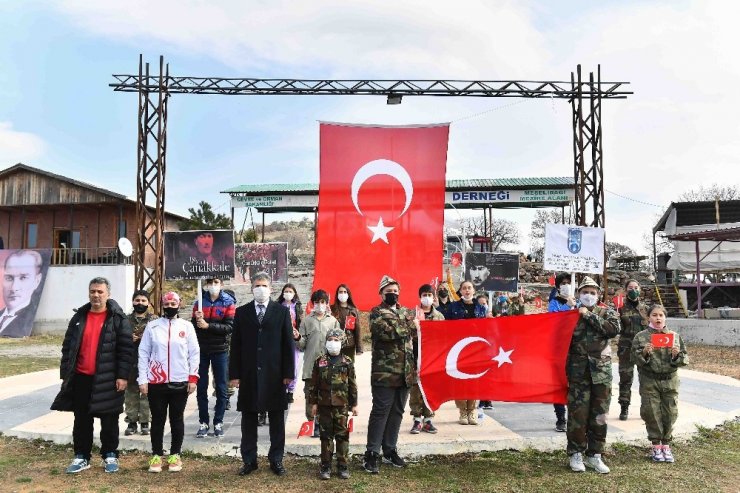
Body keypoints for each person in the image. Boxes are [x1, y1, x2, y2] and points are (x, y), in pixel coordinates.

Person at [51, 277, 133, 474]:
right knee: (81, 420)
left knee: (110, 420)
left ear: (108, 294)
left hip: (108, 378)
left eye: (100, 291)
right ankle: (81, 456)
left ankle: (110, 455)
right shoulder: (79, 317)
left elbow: (126, 350)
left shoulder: (118, 319)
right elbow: (68, 346)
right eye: (93, 291)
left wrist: (123, 376)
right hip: (81, 378)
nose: (96, 295)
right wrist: (65, 373)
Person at [229, 272, 295, 477]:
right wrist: (235, 374)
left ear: (271, 288)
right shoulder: (242, 312)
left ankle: (276, 459)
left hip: (275, 374)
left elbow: (287, 344)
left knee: (276, 418)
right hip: (249, 373)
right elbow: (236, 346)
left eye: (264, 285)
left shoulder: (281, 312)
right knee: (248, 418)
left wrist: (288, 373)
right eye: (257, 285)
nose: (261, 289)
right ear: (251, 288)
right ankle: (249, 460)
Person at [137, 291, 199, 473]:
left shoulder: (187, 327)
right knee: (157, 419)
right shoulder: (152, 326)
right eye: (167, 304)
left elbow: (194, 353)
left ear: (179, 305)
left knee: (176, 419)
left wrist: (193, 377)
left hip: (180, 381)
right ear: (162, 305)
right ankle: (156, 455)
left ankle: (175, 455)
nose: (170, 307)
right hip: (156, 381)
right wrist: (143, 379)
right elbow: (143, 353)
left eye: (174, 304)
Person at [566, 276, 620, 474]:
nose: (588, 295)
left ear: (598, 296)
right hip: (578, 373)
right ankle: (576, 453)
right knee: (577, 415)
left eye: (592, 293)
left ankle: (594, 455)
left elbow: (613, 330)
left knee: (600, 416)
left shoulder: (607, 312)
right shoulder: (571, 316)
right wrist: (575, 312)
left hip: (601, 374)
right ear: (579, 294)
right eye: (585, 292)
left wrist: (587, 315)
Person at [363, 275, 416, 474]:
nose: (392, 294)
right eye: (388, 291)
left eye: (395, 291)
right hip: (384, 372)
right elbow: (384, 332)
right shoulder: (376, 312)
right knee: (380, 412)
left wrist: (408, 327)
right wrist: (408, 326)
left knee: (398, 412)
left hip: (405, 372)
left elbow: (415, 332)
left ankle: (389, 449)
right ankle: (372, 453)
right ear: (381, 293)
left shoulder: (405, 311)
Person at [632, 304, 688, 463]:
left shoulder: (674, 336)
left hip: (670, 380)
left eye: (661, 315)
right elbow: (634, 359)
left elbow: (685, 359)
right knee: (652, 412)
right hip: (649, 380)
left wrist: (676, 355)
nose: (658, 318)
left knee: (670, 412)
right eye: (654, 315)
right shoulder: (641, 337)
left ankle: (666, 445)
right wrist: (644, 353)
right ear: (648, 317)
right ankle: (656, 445)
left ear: (665, 317)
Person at [308, 328, 358, 480]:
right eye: (330, 340)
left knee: (342, 436)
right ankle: (326, 466)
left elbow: (352, 385)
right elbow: (314, 385)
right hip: (324, 406)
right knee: (325, 436)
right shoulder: (320, 361)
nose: (333, 343)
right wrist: (313, 403)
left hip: (341, 406)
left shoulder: (347, 362)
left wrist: (354, 404)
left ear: (342, 343)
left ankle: (342, 465)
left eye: (336, 340)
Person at [192, 277, 235, 439]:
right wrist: (197, 320)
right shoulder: (199, 302)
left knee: (222, 388)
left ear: (221, 285)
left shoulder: (228, 302)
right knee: (201, 387)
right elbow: (193, 327)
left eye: (216, 282)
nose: (213, 286)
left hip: (220, 349)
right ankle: (203, 422)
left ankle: (218, 422)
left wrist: (208, 326)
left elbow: (229, 327)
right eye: (210, 283)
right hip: (202, 350)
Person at [444, 280, 489, 424]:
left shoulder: (481, 308)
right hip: (459, 350)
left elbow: (486, 328)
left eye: (469, 288)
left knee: (474, 381)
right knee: (460, 381)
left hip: (476, 350)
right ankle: (463, 411)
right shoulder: (453, 307)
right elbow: (446, 327)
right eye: (464, 288)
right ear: (460, 291)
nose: (467, 290)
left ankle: (473, 410)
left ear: (474, 290)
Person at [298, 289, 340, 437]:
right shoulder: (306, 321)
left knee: (327, 395)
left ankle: (325, 423)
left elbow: (340, 341)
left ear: (326, 304)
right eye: (317, 302)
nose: (320, 305)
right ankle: (312, 423)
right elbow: (301, 345)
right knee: (310, 394)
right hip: (311, 366)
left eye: (323, 302)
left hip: (329, 366)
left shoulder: (333, 321)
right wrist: (297, 338)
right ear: (312, 304)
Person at [409, 284, 443, 434]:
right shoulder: (412, 315)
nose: (427, 298)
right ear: (419, 297)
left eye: (429, 295)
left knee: (431, 388)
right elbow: (406, 335)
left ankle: (428, 419)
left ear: (433, 297)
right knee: (416, 389)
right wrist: (414, 327)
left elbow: (444, 337)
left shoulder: (439, 316)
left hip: (433, 358)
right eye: (424, 295)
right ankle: (417, 419)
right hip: (415, 357)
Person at [124, 289, 155, 437]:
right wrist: (128, 339)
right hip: (130, 360)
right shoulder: (125, 320)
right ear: (133, 302)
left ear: (148, 303)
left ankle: (145, 422)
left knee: (147, 393)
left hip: (149, 362)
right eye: (137, 300)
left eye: (143, 301)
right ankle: (131, 422)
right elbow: (118, 338)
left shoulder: (154, 320)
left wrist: (143, 339)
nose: (140, 303)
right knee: (130, 393)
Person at [617, 279, 648, 421]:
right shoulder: (620, 308)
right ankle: (624, 406)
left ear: (640, 289)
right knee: (625, 379)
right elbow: (616, 328)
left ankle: (647, 407)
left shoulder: (646, 309)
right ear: (625, 290)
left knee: (646, 379)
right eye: (630, 288)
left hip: (643, 349)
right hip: (626, 348)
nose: (633, 290)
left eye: (636, 287)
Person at [548, 272, 576, 433]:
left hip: (575, 349)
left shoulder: (578, 303)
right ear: (558, 287)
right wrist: (567, 307)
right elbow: (553, 322)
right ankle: (560, 418)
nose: (566, 285)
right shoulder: (554, 303)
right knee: (559, 384)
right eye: (563, 283)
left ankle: (575, 417)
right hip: (558, 349)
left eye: (569, 282)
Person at [0, 250, 43, 337]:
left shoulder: (28, 317)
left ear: (37, 281)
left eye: (23, 278)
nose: (14, 288)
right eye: (9, 278)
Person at [278, 283, 303, 405]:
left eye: (290, 291)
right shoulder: (278, 306)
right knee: (281, 365)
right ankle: (282, 389)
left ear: (294, 293)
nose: (288, 293)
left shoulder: (297, 307)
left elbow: (301, 322)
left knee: (294, 365)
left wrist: (298, 335)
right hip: (280, 340)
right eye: (286, 291)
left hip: (293, 340)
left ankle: (291, 391)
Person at [330, 284, 364, 362]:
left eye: (345, 292)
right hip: (334, 344)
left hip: (349, 345)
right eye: (340, 292)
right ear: (337, 294)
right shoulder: (331, 309)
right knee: (335, 368)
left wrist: (359, 348)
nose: (343, 294)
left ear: (348, 294)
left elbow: (358, 330)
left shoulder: (353, 310)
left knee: (349, 368)